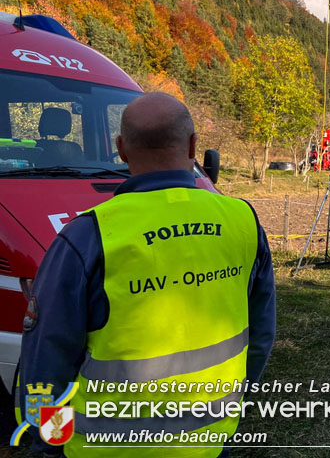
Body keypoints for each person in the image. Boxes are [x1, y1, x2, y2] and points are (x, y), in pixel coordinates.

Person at [16, 93, 276, 457]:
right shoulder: (243, 221)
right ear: (193, 145)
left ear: (121, 149)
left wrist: (47, 446)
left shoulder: (87, 237)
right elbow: (261, 336)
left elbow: (46, 364)